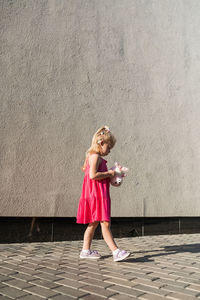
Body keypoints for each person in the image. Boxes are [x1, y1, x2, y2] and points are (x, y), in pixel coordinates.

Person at [76, 126, 130, 262]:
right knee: (105, 223)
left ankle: (85, 250)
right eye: (109, 147)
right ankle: (116, 252)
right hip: (97, 196)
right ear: (101, 143)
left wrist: (112, 177)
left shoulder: (93, 156)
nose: (110, 150)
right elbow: (93, 175)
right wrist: (109, 173)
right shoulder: (95, 156)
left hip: (95, 194)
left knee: (93, 224)